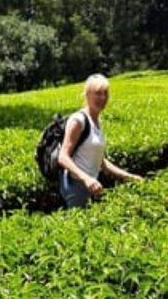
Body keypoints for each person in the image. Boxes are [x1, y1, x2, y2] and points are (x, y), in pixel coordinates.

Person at [57, 74, 143, 208]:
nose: (102, 98)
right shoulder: (78, 120)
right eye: (97, 93)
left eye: (105, 93)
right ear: (87, 95)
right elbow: (62, 157)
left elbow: (101, 162)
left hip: (91, 186)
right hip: (76, 185)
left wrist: (129, 177)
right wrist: (86, 179)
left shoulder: (97, 121)